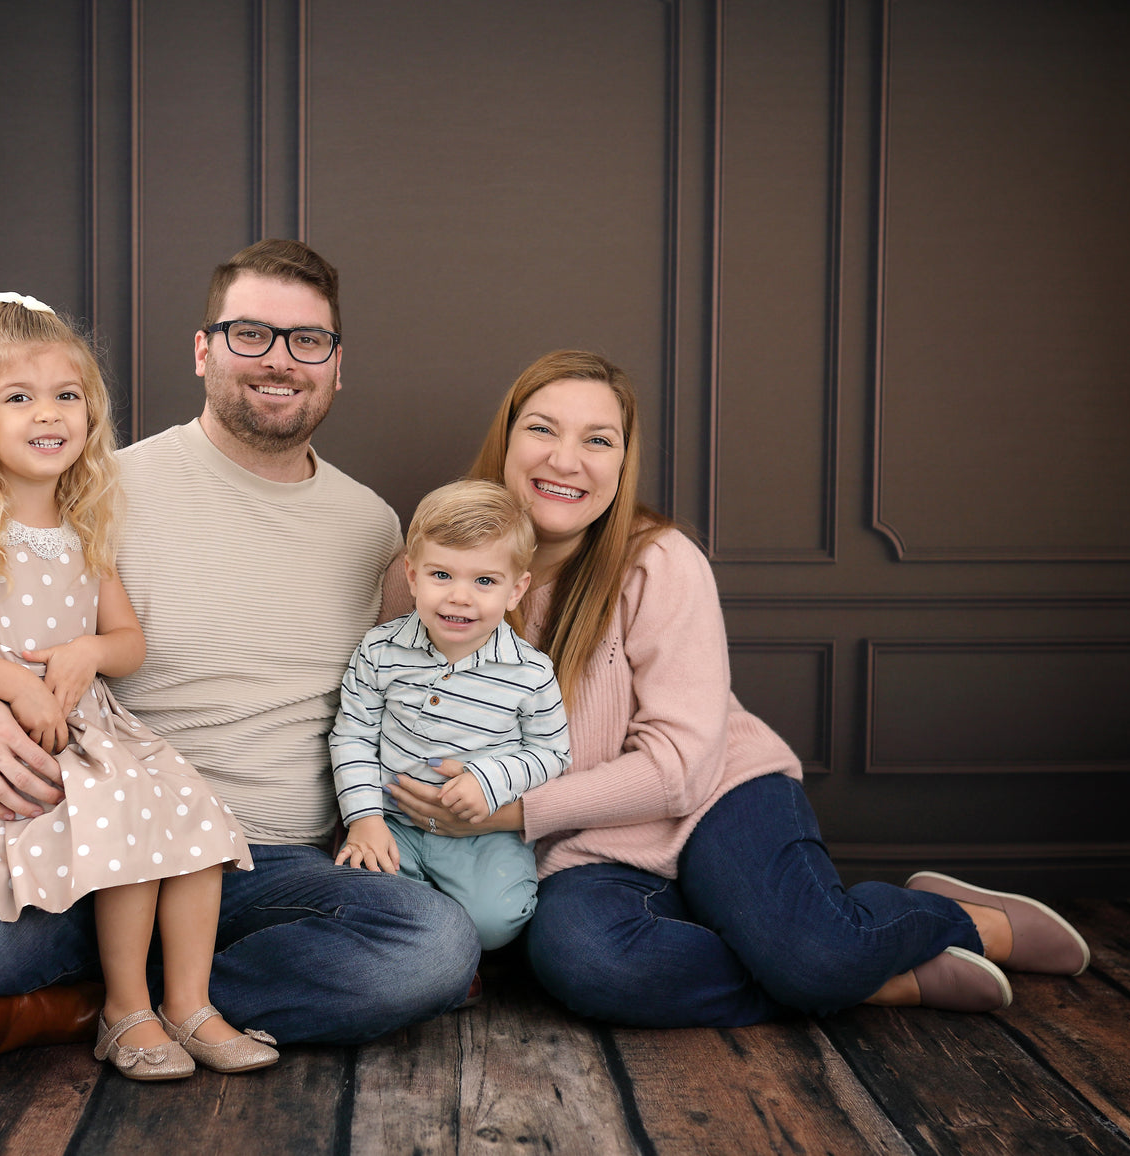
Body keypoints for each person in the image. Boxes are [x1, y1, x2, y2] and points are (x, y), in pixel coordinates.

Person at [0, 241, 479, 1056]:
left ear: (336, 364)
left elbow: (403, 686)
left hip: (272, 866)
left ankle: (85, 1006)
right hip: (96, 839)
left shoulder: (372, 528)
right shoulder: (94, 482)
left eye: (306, 340)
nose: (279, 361)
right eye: (250, 334)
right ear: (203, 349)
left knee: (431, 947)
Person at [390, 349, 1091, 1026]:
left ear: (620, 463)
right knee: (589, 963)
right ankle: (869, 979)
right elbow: (386, 720)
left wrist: (506, 810)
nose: (565, 460)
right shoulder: (424, 572)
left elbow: (679, 770)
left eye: (597, 439)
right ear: (505, 439)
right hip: (581, 845)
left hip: (716, 798)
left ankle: (959, 923)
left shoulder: (657, 562)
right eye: (541, 428)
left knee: (815, 955)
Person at [0, 292, 274, 1079]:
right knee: (125, 834)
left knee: (194, 826)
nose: (47, 415)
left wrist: (89, 652)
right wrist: (12, 686)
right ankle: (124, 1010)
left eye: (67, 396)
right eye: (18, 398)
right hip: (22, 729)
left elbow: (130, 642)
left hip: (91, 720)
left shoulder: (85, 522)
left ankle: (190, 1007)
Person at [330, 479, 569, 949]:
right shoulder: (381, 650)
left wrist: (490, 780)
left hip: (482, 831)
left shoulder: (530, 671)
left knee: (497, 921)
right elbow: (352, 735)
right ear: (413, 576)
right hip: (392, 818)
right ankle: (432, 953)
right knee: (368, 901)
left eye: (484, 581)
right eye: (442, 575)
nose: (460, 596)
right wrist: (364, 818)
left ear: (516, 590)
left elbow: (552, 752)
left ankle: (457, 948)